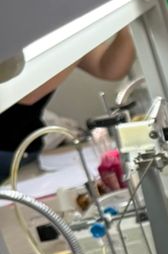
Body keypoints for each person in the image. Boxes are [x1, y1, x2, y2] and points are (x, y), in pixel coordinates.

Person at [0, 28, 135, 181]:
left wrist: (127, 31)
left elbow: (107, 68)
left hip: (27, 148)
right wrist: (78, 36)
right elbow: (25, 95)